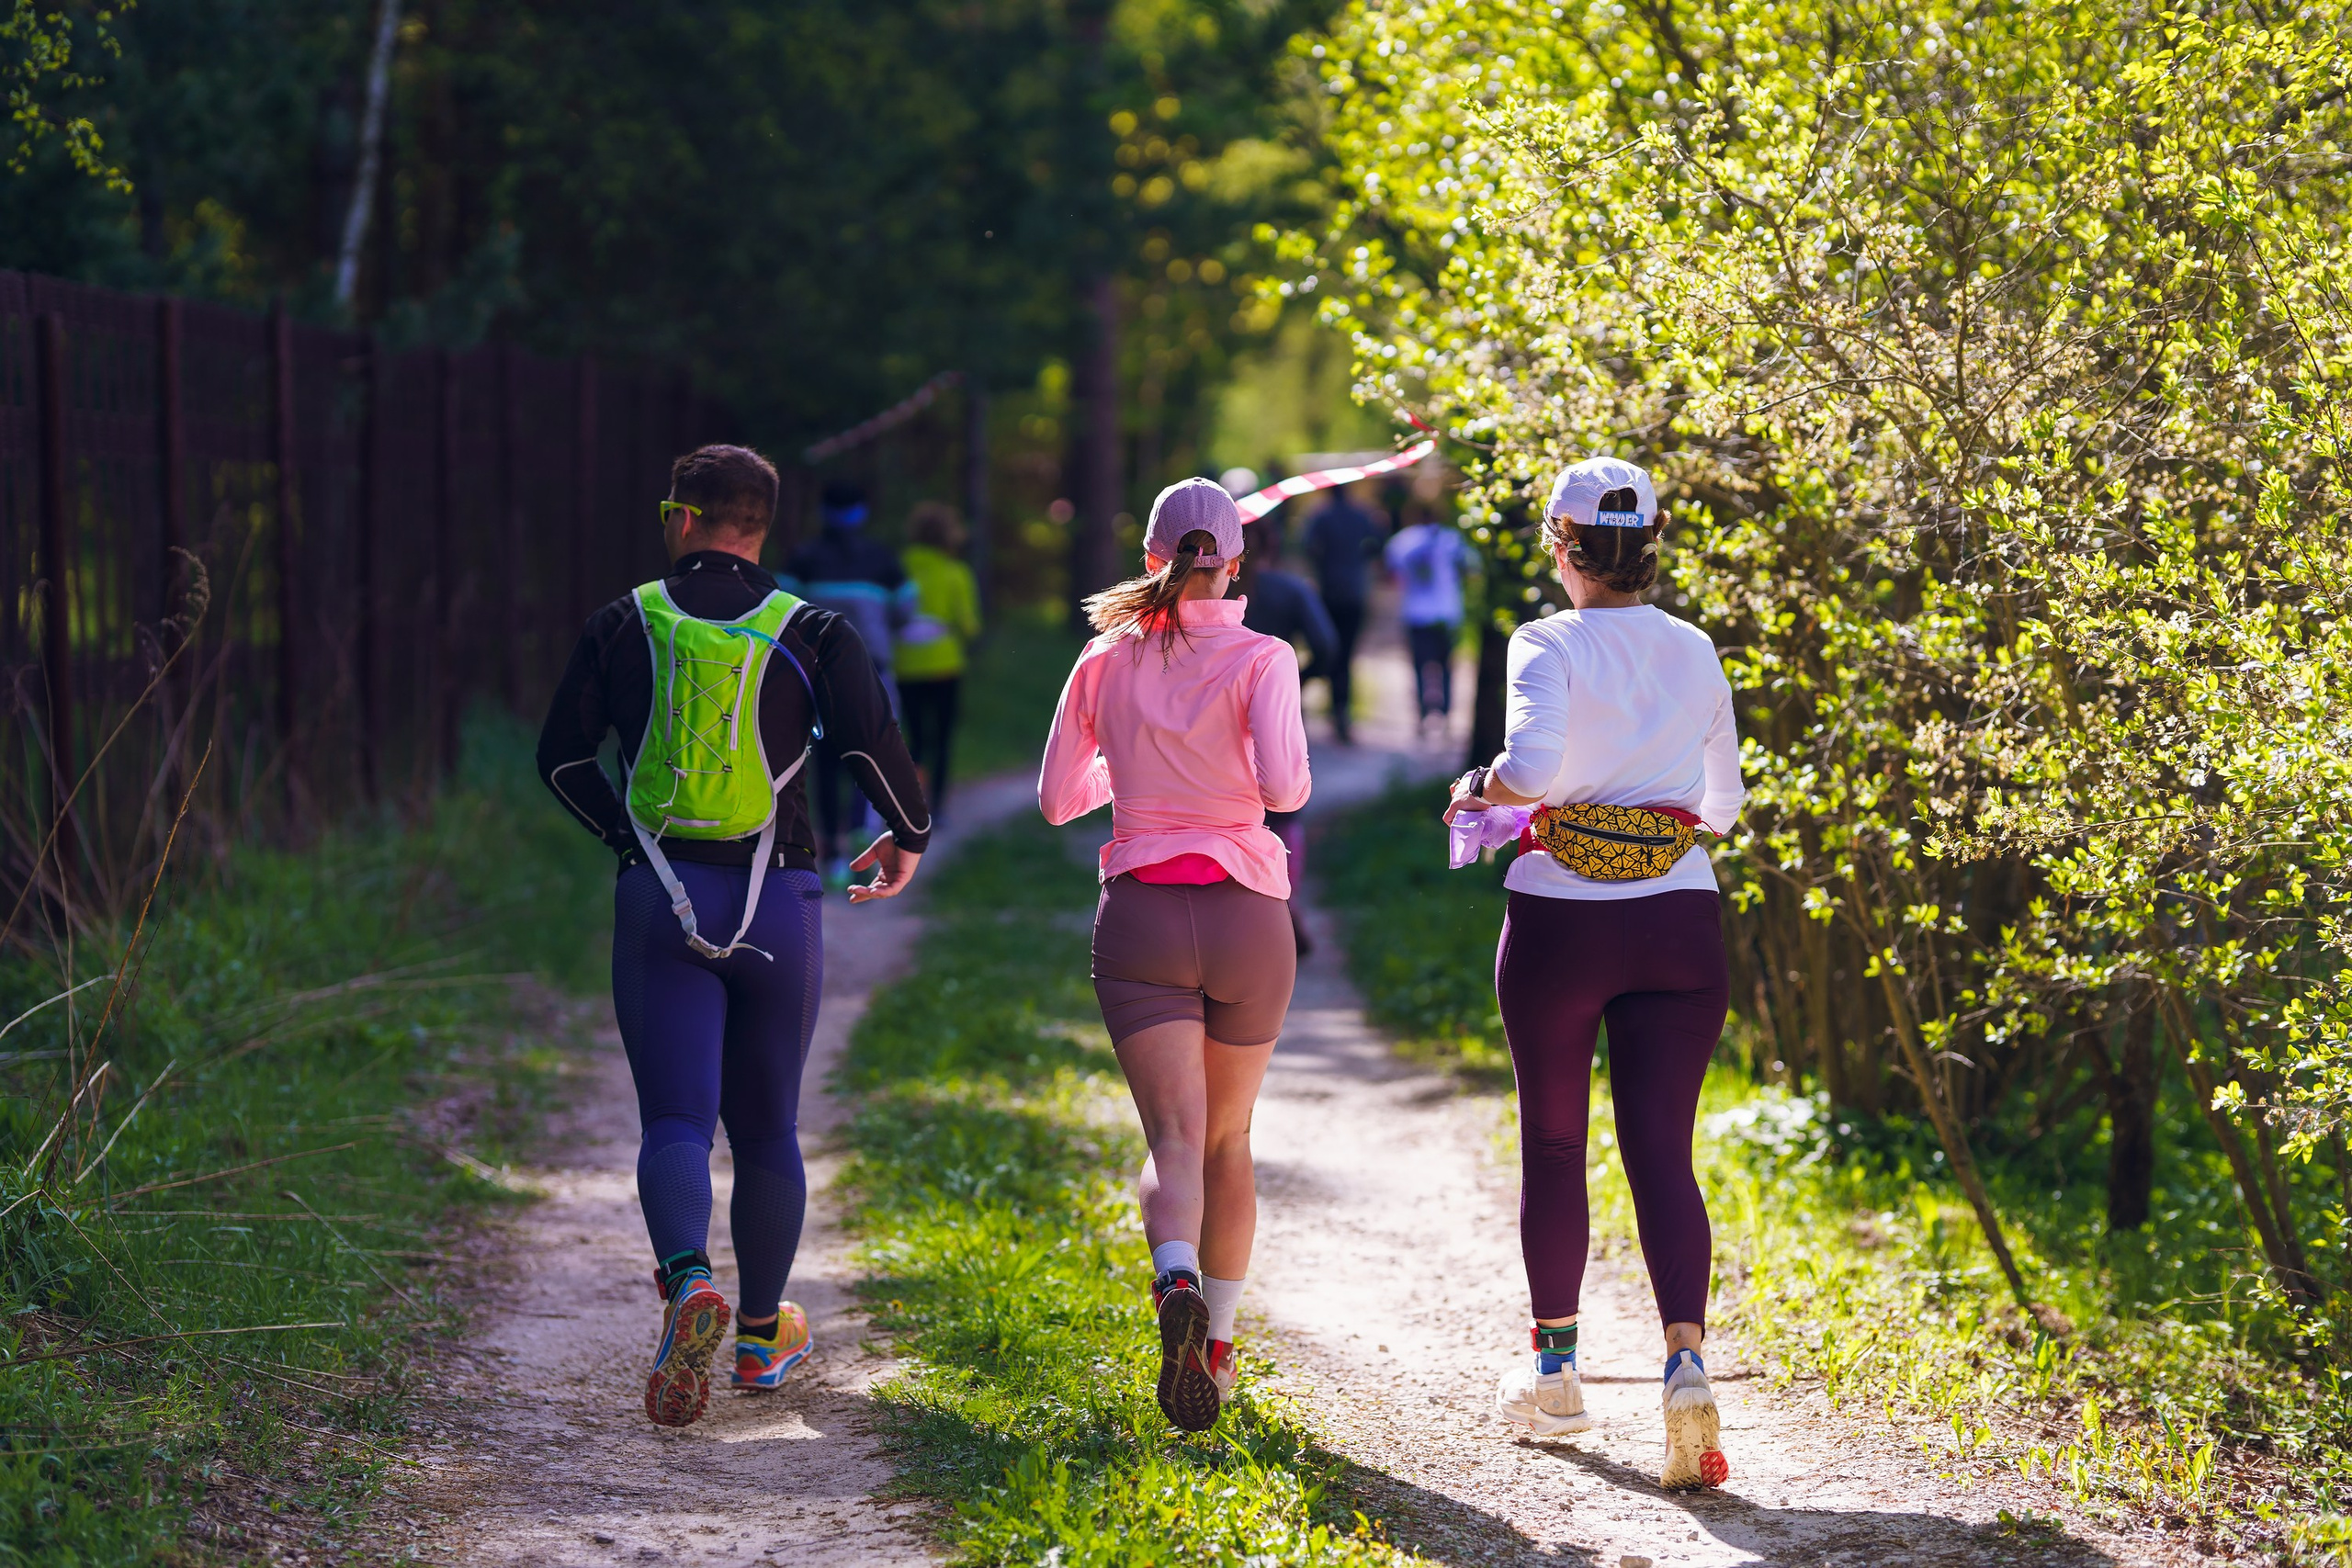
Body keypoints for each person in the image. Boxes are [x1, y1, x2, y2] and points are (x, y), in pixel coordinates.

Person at [537, 445, 931, 1429]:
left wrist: (628, 840)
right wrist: (910, 835)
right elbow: (869, 747)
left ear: (678, 515)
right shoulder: (812, 629)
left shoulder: (622, 622)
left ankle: (686, 1285)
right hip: (779, 903)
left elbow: (560, 760)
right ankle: (759, 1340)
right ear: (761, 526)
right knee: (765, 1130)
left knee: (674, 1120)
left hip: (659, 896)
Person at [1441, 456, 1743, 1490]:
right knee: (1663, 1151)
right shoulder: (1695, 648)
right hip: (1681, 919)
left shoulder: (1548, 641)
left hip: (1562, 920)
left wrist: (1482, 784)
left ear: (1562, 545)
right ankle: (1686, 1363)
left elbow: (1527, 769)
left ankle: (1559, 1377)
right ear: (1648, 545)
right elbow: (1723, 807)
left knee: (1556, 1142)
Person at [1039, 477, 1310, 1432]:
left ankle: (1174, 1279)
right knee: (1230, 1140)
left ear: (1152, 558)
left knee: (1174, 1142)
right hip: (1246, 916)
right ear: (1235, 562)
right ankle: (1220, 1347)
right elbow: (1285, 790)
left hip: (1142, 918)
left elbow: (1057, 800)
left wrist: (1131, 761)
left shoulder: (1103, 657)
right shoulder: (1264, 658)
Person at [784, 481, 917, 881]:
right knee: (871, 757)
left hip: (814, 675)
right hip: (872, 672)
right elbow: (906, 611)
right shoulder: (883, 560)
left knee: (823, 763)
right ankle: (862, 840)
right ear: (862, 512)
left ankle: (830, 853)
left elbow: (782, 615)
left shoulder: (803, 559)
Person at [1238, 519, 1338, 956]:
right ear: (1274, 542)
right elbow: (1328, 646)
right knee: (1283, 819)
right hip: (1277, 720)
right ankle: (1284, 904)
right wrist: (1294, 682)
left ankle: (1239, 914)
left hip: (1215, 727)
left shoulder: (1216, 593)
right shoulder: (1291, 590)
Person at [896, 501, 983, 816]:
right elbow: (969, 625)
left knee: (913, 736)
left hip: (904, 664)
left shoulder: (898, 567)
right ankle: (939, 807)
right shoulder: (955, 572)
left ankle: (912, 803)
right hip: (945, 665)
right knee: (942, 739)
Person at [1297, 480, 1385, 743]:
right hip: (1355, 593)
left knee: (1326, 650)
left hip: (1329, 593)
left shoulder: (1320, 516)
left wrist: (1325, 562)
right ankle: (1340, 715)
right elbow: (1379, 543)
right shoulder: (1362, 516)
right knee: (1345, 656)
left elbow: (1307, 546)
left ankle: (1316, 701)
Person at [1384, 510, 1476, 731]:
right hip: (1447, 612)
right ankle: (1445, 716)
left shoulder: (1402, 541)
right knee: (1446, 667)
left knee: (1419, 666)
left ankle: (1422, 716)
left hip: (1416, 613)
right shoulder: (1452, 539)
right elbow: (1471, 568)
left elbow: (1391, 576)